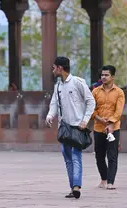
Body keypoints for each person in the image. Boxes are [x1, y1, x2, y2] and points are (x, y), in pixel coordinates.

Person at [45, 57, 95, 199]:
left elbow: (91, 101)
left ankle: (76, 186)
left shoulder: (78, 82)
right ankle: (73, 187)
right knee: (67, 158)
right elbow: (54, 103)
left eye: (54, 67)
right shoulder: (58, 85)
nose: (53, 70)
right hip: (64, 128)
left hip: (78, 127)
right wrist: (50, 116)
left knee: (76, 156)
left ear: (60, 68)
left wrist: (85, 121)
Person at [91, 65, 125, 190]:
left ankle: (111, 182)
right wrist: (99, 118)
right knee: (99, 156)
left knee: (112, 156)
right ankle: (104, 179)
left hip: (113, 129)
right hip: (98, 128)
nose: (103, 77)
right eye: (102, 75)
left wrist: (110, 123)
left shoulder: (119, 92)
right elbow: (91, 109)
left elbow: (119, 111)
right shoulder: (95, 91)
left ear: (113, 77)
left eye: (106, 75)